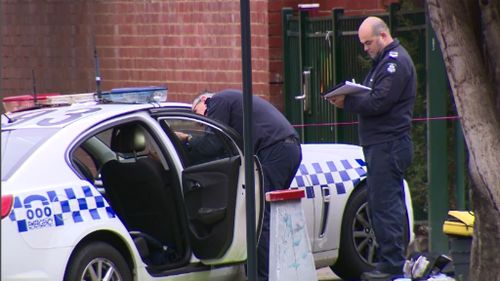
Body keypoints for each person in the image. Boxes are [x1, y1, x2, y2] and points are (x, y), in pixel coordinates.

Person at [180, 89, 302, 281]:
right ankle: (268, 272)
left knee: (259, 217)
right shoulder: (231, 103)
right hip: (286, 150)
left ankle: (262, 277)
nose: (201, 122)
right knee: (265, 214)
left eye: (198, 115)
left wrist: (187, 139)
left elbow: (212, 144)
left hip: (275, 152)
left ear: (203, 100)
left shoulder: (216, 102)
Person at [328, 17, 416, 281]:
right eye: (363, 44)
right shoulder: (383, 63)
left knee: (385, 205)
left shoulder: (394, 64)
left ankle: (390, 266)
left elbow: (379, 101)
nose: (365, 48)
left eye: (368, 42)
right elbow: (373, 94)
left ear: (383, 35)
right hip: (382, 144)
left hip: (388, 144)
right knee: (384, 203)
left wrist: (349, 102)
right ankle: (392, 262)